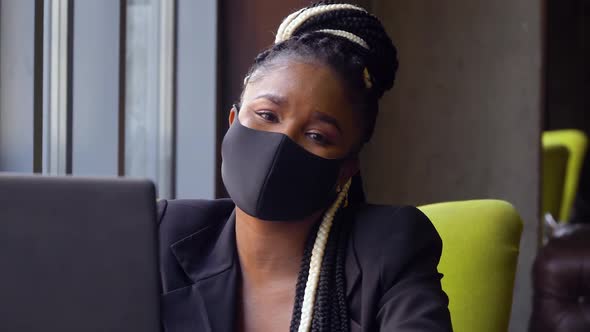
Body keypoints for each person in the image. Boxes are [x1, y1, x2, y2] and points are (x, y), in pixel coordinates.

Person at [157, 2, 452, 331]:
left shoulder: (390, 249)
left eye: (317, 136)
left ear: (346, 168)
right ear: (232, 123)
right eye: (267, 115)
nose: (281, 143)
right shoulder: (161, 232)